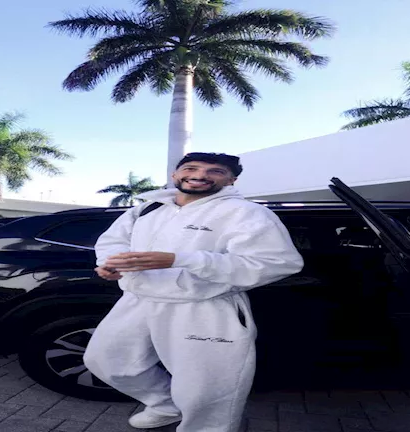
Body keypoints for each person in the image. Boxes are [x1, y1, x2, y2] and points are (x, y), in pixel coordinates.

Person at [84, 152, 304, 432]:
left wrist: (180, 259)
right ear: (175, 175)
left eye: (215, 171)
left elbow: (277, 262)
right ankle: (165, 405)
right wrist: (111, 264)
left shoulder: (245, 213)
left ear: (232, 180)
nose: (200, 175)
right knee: (107, 361)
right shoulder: (149, 208)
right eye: (191, 168)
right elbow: (113, 241)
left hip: (203, 305)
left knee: (205, 387)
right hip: (138, 299)